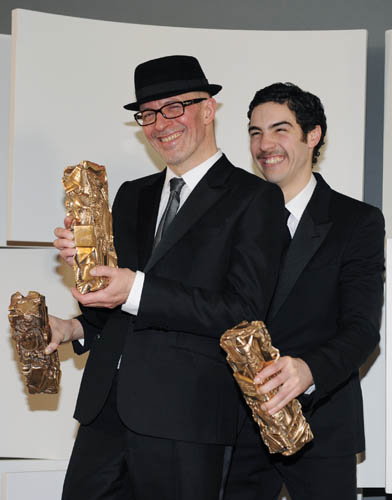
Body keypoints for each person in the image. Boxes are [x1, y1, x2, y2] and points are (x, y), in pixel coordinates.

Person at [49, 55, 286, 500]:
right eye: (149, 113)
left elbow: (243, 311)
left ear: (209, 108)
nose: (161, 123)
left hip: (187, 418)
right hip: (104, 411)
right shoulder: (131, 194)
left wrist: (134, 286)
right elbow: (112, 308)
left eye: (175, 106)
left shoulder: (255, 199)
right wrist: (72, 326)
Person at [224, 82, 385, 500]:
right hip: (233, 428)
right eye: (255, 132)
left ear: (313, 136)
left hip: (322, 427)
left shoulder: (357, 221)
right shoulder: (230, 219)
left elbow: (362, 328)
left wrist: (308, 370)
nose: (264, 145)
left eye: (280, 130)